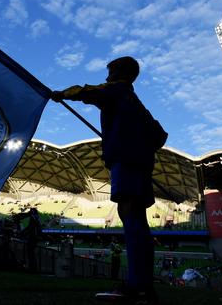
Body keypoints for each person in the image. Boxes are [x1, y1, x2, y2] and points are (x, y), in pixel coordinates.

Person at [52, 56, 167, 304]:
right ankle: (145, 287)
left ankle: (137, 288)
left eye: (110, 72)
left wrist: (61, 93)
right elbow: (160, 136)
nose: (106, 77)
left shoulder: (116, 90)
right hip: (142, 164)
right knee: (139, 221)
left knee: (130, 214)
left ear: (118, 73)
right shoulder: (137, 103)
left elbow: (87, 91)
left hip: (126, 161)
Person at [13, 207, 42, 273]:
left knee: (30, 253)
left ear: (32, 211)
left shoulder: (33, 217)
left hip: (33, 237)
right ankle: (33, 268)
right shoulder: (36, 217)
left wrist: (22, 233)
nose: (29, 212)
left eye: (30, 211)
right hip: (35, 237)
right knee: (32, 253)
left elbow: (30, 227)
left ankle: (32, 269)